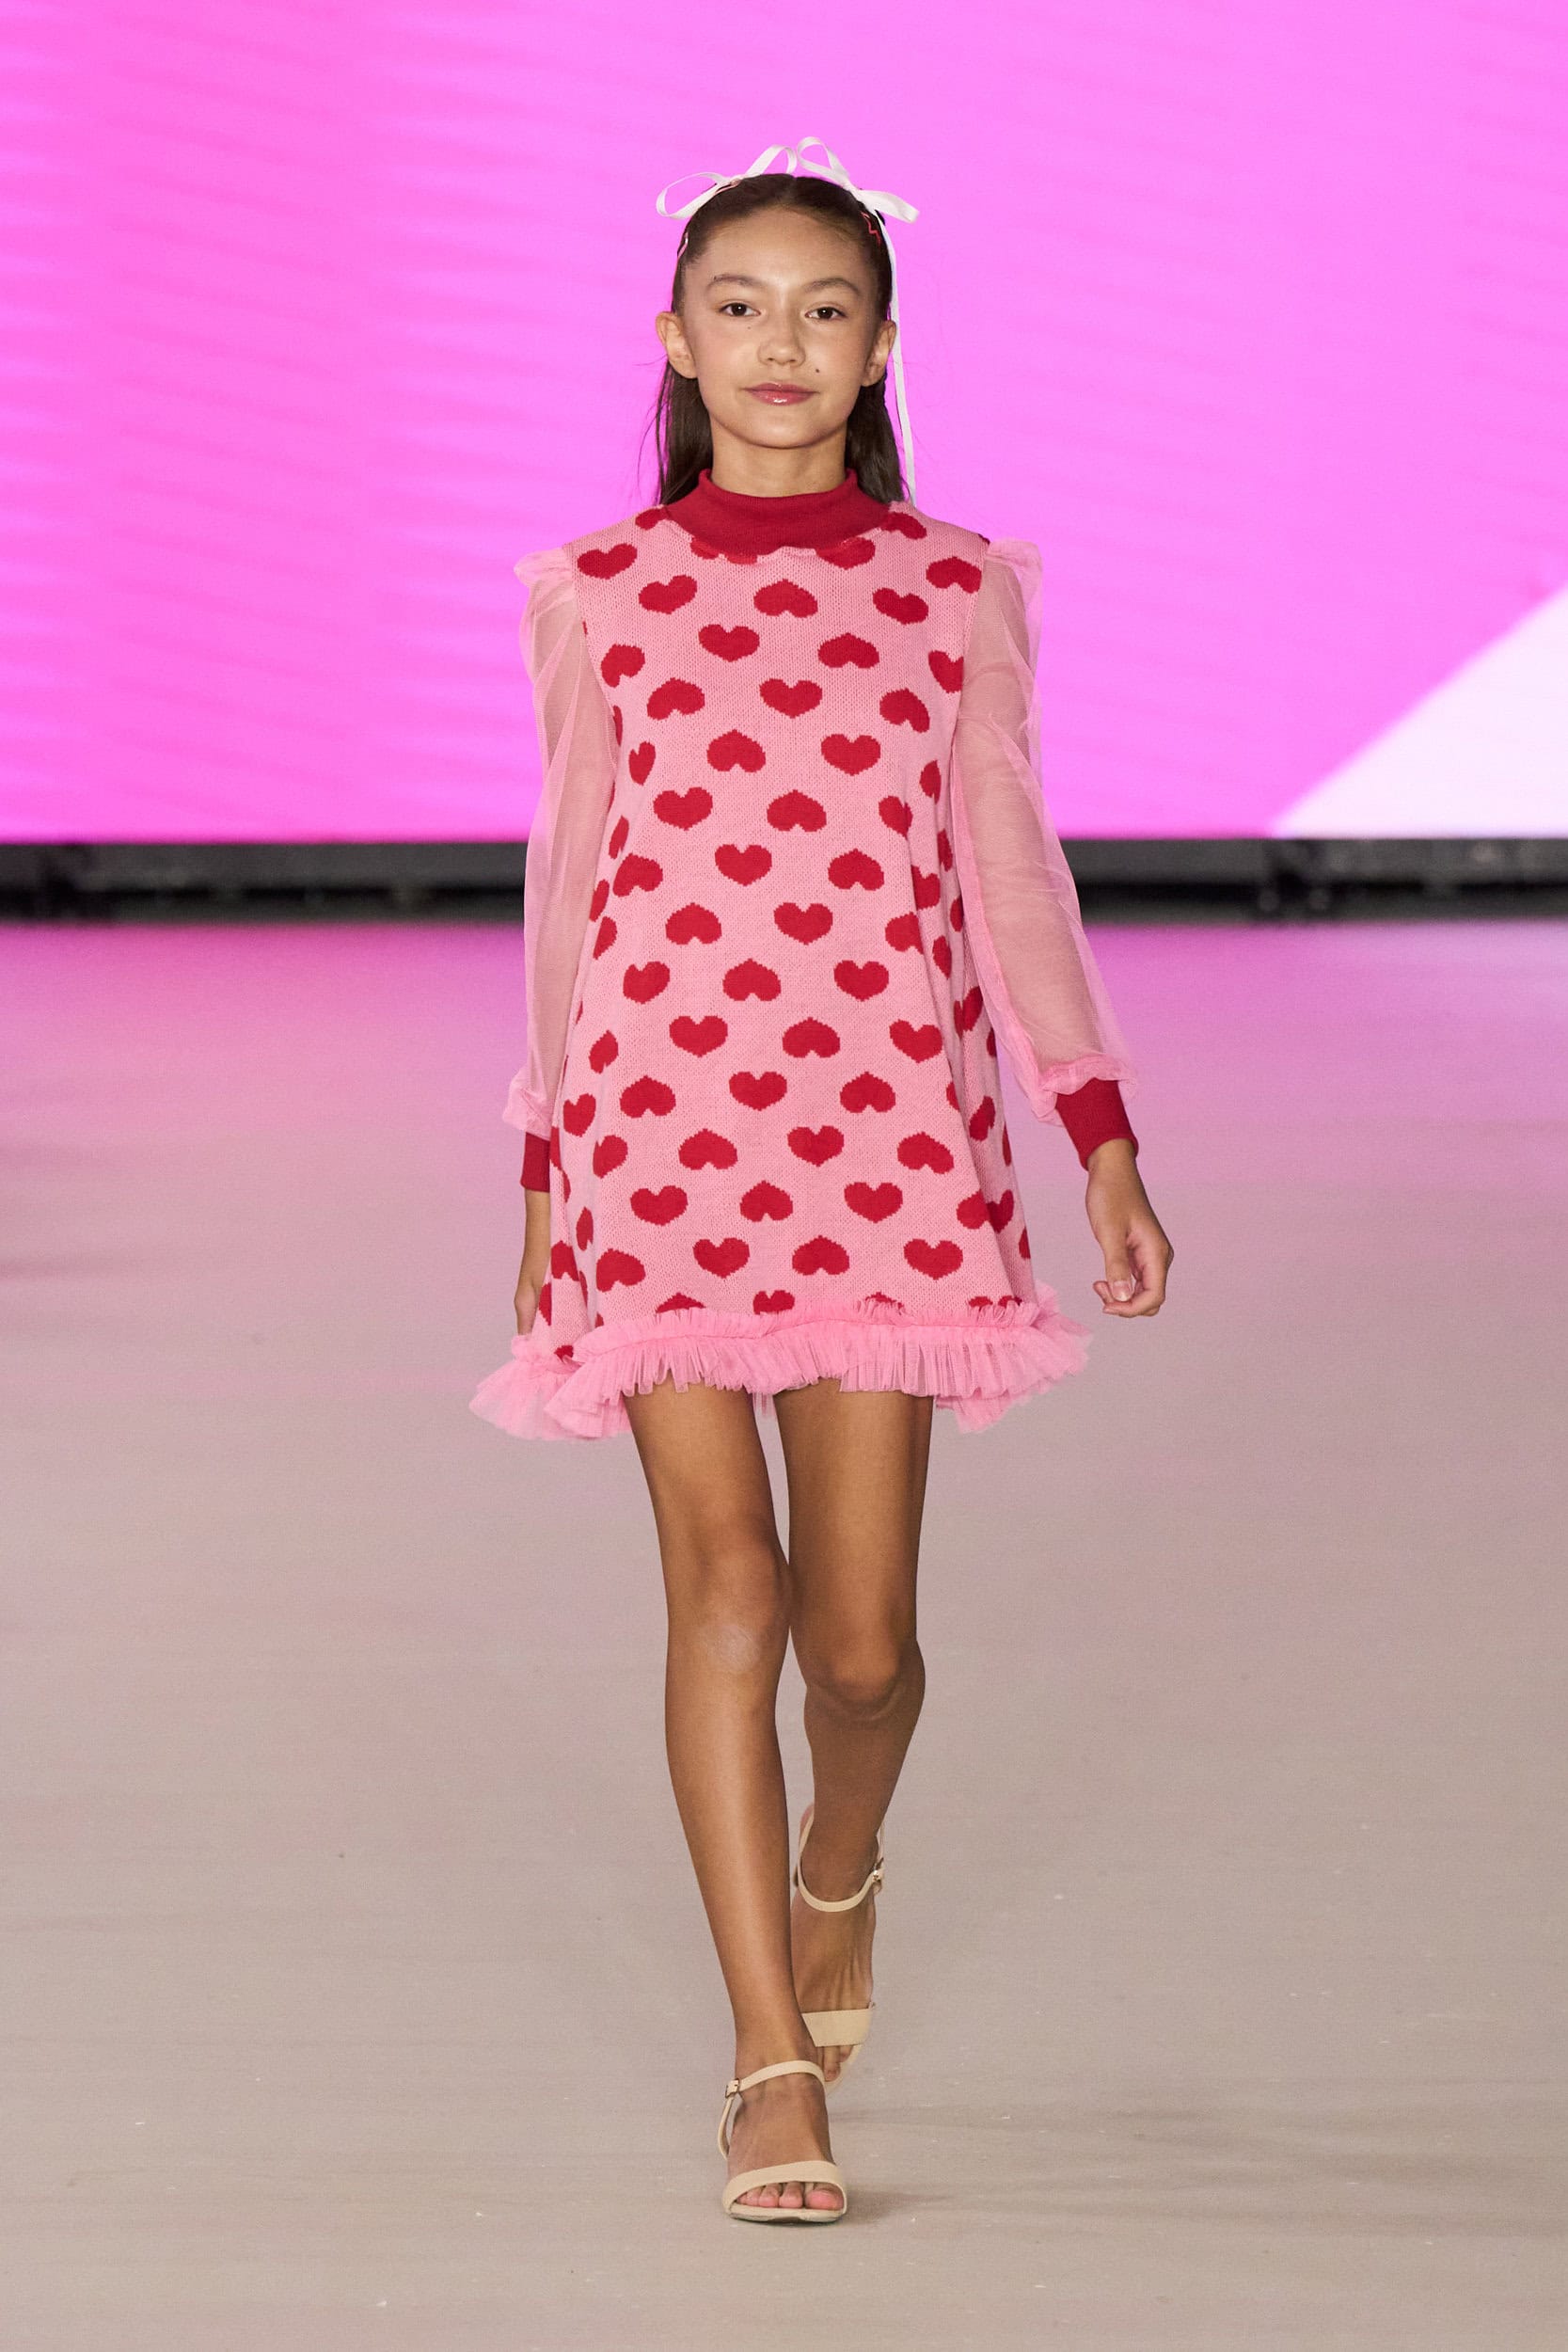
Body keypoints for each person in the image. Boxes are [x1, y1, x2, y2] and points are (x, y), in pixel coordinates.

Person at [471, 156, 1174, 2223]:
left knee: (861, 1648)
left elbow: (1013, 866)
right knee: (730, 1593)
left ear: (879, 349)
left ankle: (841, 1858)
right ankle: (769, 2060)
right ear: (676, 339)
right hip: (658, 1138)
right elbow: (569, 882)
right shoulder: (598, 587)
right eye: (740, 304)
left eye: (825, 308)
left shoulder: (957, 589)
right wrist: (542, 1162)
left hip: (887, 1145)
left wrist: (1100, 1133)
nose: (781, 344)